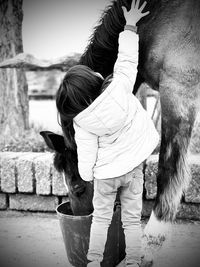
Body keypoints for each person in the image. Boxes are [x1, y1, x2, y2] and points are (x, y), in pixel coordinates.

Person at [56, 0, 159, 266]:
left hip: (106, 178)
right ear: (95, 78)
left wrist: (90, 175)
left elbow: (86, 162)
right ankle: (134, 259)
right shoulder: (120, 86)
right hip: (134, 169)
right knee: (132, 220)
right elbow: (127, 59)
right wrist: (130, 25)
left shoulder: (82, 124)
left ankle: (93, 261)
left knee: (101, 221)